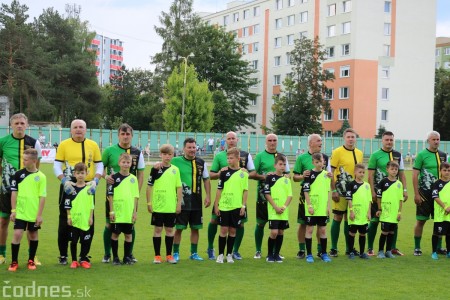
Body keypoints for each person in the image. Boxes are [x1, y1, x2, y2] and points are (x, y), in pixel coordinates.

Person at [53, 119, 103, 265]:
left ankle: (84, 256)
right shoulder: (64, 144)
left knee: (88, 219)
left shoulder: (93, 145)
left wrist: (96, 181)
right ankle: (63, 255)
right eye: (75, 127)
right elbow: (56, 166)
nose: (78, 129)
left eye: (81, 127)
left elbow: (99, 165)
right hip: (68, 187)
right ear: (71, 130)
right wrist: (64, 181)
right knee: (64, 219)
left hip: (88, 187)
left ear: (86, 129)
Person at [0, 113, 42, 265]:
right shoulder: (3, 142)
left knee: (31, 224)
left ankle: (33, 256)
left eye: (22, 123)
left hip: (28, 191)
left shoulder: (34, 142)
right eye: (16, 123)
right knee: (3, 220)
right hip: (7, 189)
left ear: (27, 124)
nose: (19, 125)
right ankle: (2, 254)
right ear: (11, 125)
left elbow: (38, 167)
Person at [207, 131, 255, 260]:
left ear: (237, 139)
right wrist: (220, 173)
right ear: (225, 140)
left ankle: (235, 251)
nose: (231, 140)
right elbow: (211, 175)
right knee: (214, 221)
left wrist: (244, 172)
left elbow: (253, 172)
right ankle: (211, 248)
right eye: (229, 138)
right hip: (223, 199)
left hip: (237, 199)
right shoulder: (219, 156)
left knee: (239, 225)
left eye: (233, 138)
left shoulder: (245, 155)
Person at [102, 124, 144, 263]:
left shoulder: (138, 152)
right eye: (123, 134)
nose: (125, 136)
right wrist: (104, 176)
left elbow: (141, 174)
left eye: (128, 134)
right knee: (110, 224)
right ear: (118, 135)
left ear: (132, 136)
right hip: (113, 196)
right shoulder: (109, 150)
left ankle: (129, 254)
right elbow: (99, 168)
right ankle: (108, 254)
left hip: (129, 197)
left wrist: (135, 193)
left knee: (130, 224)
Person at [367, 131, 408, 256]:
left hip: (394, 195)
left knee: (393, 222)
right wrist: (372, 191)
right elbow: (370, 175)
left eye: (391, 140)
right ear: (382, 141)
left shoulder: (398, 155)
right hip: (379, 194)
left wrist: (404, 190)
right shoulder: (375, 155)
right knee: (374, 220)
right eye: (387, 140)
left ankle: (391, 248)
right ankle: (370, 248)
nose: (389, 142)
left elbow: (401, 174)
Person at [171, 138, 210, 262]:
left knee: (195, 228)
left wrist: (208, 195)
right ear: (184, 149)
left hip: (197, 201)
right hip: (181, 201)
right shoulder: (175, 161)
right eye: (189, 147)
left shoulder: (201, 162)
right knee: (179, 228)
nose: (192, 150)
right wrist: (158, 164)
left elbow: (206, 180)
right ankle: (175, 253)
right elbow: (165, 165)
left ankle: (194, 253)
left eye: (194, 147)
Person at [293, 134, 331, 259]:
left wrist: (333, 189)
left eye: (321, 140)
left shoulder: (325, 157)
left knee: (322, 226)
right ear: (310, 143)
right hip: (306, 195)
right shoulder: (302, 158)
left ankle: (321, 251)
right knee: (304, 224)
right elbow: (295, 177)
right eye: (318, 141)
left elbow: (329, 175)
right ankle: (302, 250)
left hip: (321, 197)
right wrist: (302, 176)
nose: (321, 142)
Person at [8, 149, 46, 271]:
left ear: (34, 161)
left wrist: (39, 215)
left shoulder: (41, 177)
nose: (23, 161)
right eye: (23, 159)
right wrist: (13, 210)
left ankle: (31, 260)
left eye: (25, 159)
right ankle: (14, 262)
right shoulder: (18, 174)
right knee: (17, 234)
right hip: (20, 211)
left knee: (33, 234)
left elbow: (42, 197)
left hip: (34, 213)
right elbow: (14, 193)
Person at [252, 133, 290, 259]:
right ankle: (258, 250)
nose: (272, 142)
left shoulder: (282, 157)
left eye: (274, 140)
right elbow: (252, 174)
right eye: (270, 140)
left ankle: (275, 252)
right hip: (263, 196)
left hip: (279, 199)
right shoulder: (260, 156)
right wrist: (266, 176)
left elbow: (288, 175)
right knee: (261, 224)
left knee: (278, 227)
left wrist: (282, 176)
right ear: (266, 142)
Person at [412, 131, 447, 256]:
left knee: (440, 221)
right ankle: (417, 247)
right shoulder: (421, 155)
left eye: (438, 139)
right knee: (421, 220)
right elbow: (415, 174)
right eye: (433, 139)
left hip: (440, 194)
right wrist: (416, 193)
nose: (436, 141)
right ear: (428, 141)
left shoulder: (443, 155)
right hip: (425, 193)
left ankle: (438, 247)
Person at [329, 128, 363, 257]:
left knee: (350, 219)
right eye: (348, 137)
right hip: (340, 190)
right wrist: (333, 190)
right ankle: (333, 248)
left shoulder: (359, 153)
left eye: (353, 137)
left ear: (355, 138)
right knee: (338, 217)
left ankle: (349, 248)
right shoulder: (337, 152)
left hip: (354, 192)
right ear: (344, 138)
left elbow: (359, 171)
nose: (350, 139)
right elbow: (331, 173)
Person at [147, 144, 182, 264]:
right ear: (161, 155)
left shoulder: (175, 170)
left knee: (169, 230)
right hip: (158, 206)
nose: (167, 157)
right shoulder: (155, 169)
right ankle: (157, 256)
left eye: (169, 154)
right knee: (157, 230)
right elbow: (149, 186)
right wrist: (149, 203)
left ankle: (169, 255)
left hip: (171, 206)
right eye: (165, 154)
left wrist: (178, 204)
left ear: (173, 155)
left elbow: (179, 188)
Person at [213, 148, 248, 263]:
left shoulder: (243, 173)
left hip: (237, 207)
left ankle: (229, 254)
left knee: (233, 231)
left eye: (231, 158)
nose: (229, 160)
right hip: (224, 206)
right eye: (227, 158)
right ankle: (220, 255)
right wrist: (216, 206)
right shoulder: (223, 172)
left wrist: (243, 206)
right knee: (223, 230)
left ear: (238, 159)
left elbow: (245, 191)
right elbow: (219, 190)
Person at [108, 153, 139, 265]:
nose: (126, 164)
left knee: (128, 235)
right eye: (123, 162)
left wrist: (134, 212)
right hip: (117, 212)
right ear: (119, 163)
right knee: (115, 234)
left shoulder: (133, 179)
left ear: (131, 164)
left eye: (128, 162)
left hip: (128, 212)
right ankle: (115, 258)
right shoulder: (113, 178)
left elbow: (136, 196)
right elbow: (110, 196)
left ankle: (126, 257)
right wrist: (111, 211)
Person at [302, 153, 332, 263]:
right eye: (317, 162)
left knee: (323, 230)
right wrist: (309, 205)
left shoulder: (327, 175)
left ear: (324, 161)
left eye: (321, 161)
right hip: (312, 207)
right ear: (313, 162)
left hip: (322, 208)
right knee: (309, 229)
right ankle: (309, 254)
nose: (320, 164)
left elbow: (327, 191)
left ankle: (324, 253)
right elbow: (306, 191)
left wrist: (328, 207)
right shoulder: (309, 174)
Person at [65, 162, 94, 269]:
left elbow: (92, 205)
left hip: (85, 219)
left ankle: (83, 259)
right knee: (73, 241)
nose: (80, 175)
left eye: (82, 173)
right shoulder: (70, 189)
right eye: (78, 173)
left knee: (85, 240)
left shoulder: (89, 189)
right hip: (74, 219)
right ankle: (74, 260)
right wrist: (69, 217)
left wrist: (91, 217)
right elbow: (67, 204)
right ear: (74, 174)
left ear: (86, 174)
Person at [263, 154, 292, 263]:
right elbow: (267, 194)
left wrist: (283, 207)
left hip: (283, 211)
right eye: (280, 164)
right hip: (273, 210)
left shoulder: (286, 179)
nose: (282, 166)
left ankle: (277, 255)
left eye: (284, 164)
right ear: (275, 165)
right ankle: (269, 254)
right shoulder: (270, 177)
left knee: (281, 232)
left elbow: (290, 195)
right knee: (274, 232)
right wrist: (275, 207)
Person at [375, 161, 403, 259]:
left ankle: (388, 251)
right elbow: (378, 197)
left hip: (394, 213)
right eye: (392, 169)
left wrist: (399, 212)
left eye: (396, 169)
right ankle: (380, 251)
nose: (394, 171)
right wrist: (379, 208)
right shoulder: (383, 182)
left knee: (391, 232)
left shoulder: (399, 184)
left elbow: (400, 200)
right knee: (384, 232)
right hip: (385, 212)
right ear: (387, 170)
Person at [346, 164, 371, 259]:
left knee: (362, 233)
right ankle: (351, 252)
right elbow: (349, 199)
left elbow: (369, 200)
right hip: (354, 213)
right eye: (360, 172)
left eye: (363, 172)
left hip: (363, 214)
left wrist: (369, 213)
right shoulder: (350, 185)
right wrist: (351, 211)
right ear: (355, 173)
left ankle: (361, 253)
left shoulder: (367, 186)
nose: (362, 174)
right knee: (352, 233)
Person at [430, 162, 450, 260]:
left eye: (449, 170)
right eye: (445, 170)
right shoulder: (437, 183)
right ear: (440, 171)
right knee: (437, 233)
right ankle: (434, 252)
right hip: (440, 213)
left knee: (449, 233)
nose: (447, 172)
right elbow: (435, 197)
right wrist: (445, 207)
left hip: (449, 213)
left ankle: (449, 252)